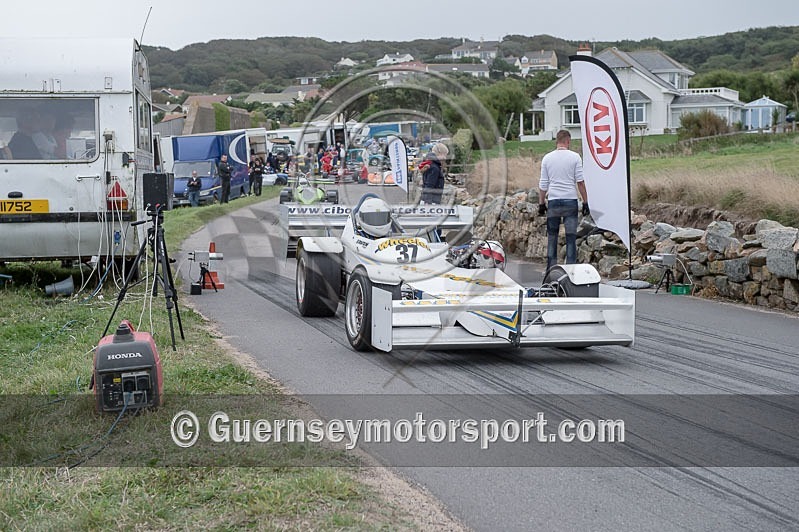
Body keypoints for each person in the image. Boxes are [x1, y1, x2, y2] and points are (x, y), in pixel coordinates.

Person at [538, 129, 589, 271]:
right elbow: (580, 182)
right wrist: (585, 202)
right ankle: (571, 271)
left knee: (552, 237)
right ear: (568, 141)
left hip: (554, 201)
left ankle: (551, 270)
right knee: (571, 238)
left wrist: (541, 203)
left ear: (557, 141)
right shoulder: (575, 157)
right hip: (570, 201)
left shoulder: (547, 158)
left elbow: (543, 184)